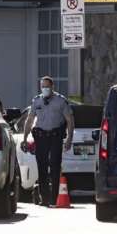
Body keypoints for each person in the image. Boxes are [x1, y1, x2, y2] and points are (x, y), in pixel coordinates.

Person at [20, 76, 74, 206]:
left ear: (52, 87)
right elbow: (30, 120)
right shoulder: (36, 101)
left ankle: (55, 197)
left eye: (47, 86)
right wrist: (25, 137)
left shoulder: (61, 101)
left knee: (55, 166)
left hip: (55, 136)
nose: (44, 89)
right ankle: (44, 198)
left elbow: (70, 120)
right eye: (42, 86)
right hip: (41, 136)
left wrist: (69, 139)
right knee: (42, 166)